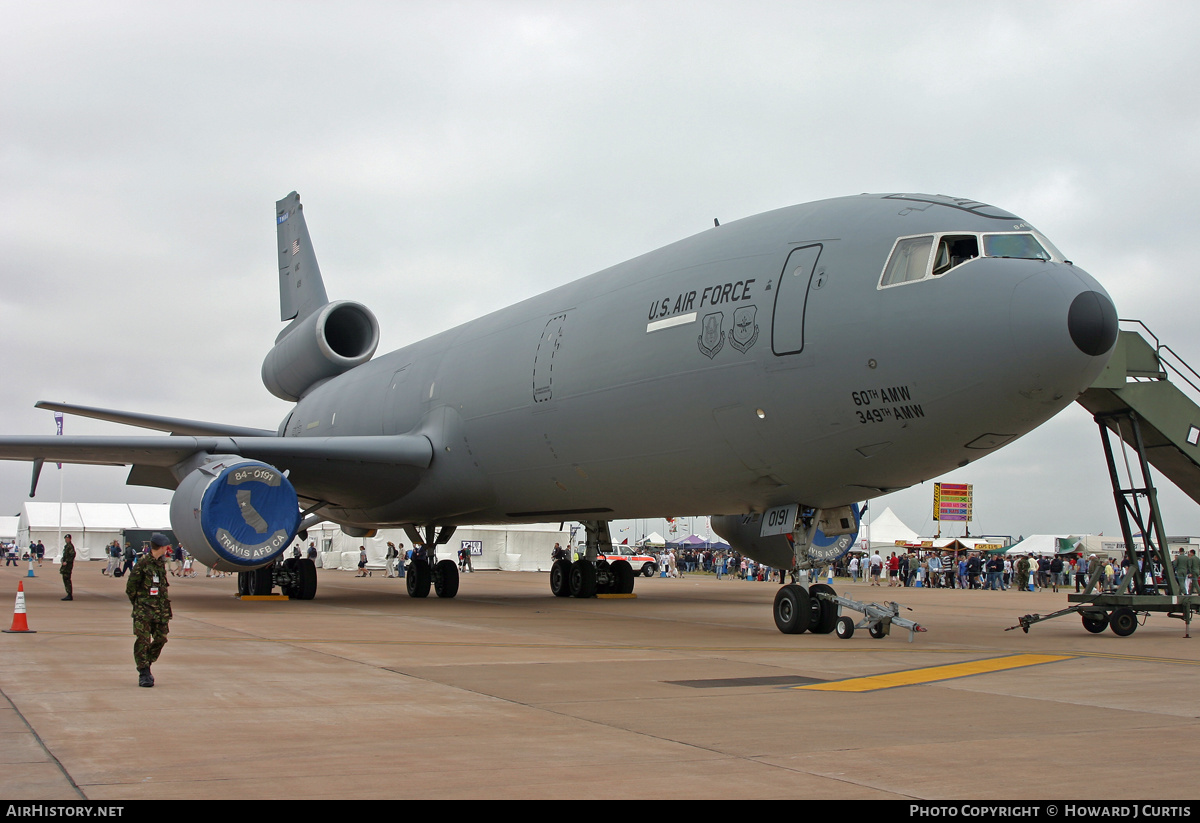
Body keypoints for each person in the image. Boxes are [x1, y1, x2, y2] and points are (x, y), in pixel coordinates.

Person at [127, 533, 173, 687]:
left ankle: (146, 660)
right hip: (144, 611)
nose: (167, 548)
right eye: (166, 546)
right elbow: (130, 588)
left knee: (161, 638)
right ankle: (144, 672)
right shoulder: (143, 563)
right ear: (161, 547)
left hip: (160, 610)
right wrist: (140, 604)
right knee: (143, 640)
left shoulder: (161, 563)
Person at [59, 534, 76, 600]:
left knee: (67, 579)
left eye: (67, 538)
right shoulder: (67, 546)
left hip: (68, 566)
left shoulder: (70, 546)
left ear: (70, 539)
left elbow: (72, 555)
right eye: (65, 538)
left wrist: (67, 561)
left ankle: (69, 594)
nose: (66, 540)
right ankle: (68, 593)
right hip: (65, 565)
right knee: (65, 578)